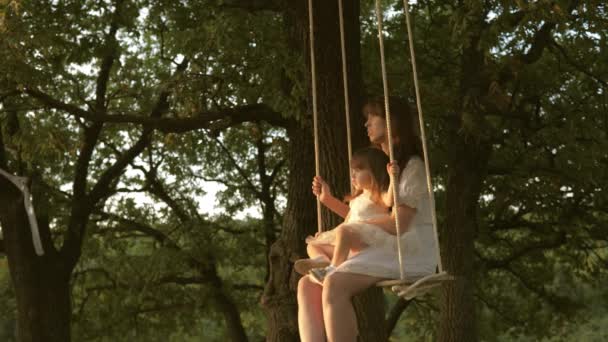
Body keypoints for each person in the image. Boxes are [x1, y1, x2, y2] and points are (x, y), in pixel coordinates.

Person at [297, 96, 438, 342]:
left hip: (407, 249)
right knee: (306, 286)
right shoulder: (381, 164)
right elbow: (363, 217)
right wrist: (329, 201)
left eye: (373, 117)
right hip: (379, 244)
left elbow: (399, 224)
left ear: (392, 122)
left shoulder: (411, 167)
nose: (367, 124)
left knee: (334, 284)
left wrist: (355, 228)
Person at [294, 147, 392, 284]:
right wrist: (329, 236)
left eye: (358, 171)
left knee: (344, 231)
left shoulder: (378, 195)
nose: (352, 176)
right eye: (352, 172)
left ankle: (332, 269)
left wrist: (393, 178)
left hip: (368, 242)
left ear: (375, 172)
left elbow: (391, 200)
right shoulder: (357, 199)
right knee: (313, 245)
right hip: (350, 242)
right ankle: (322, 261)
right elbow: (349, 219)